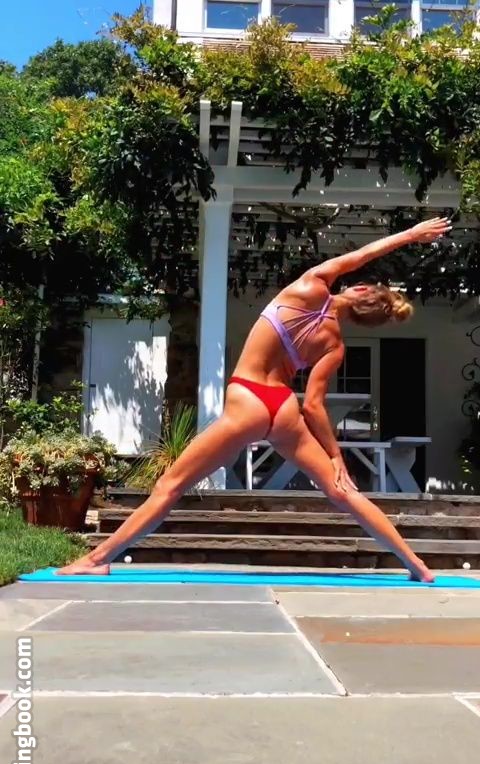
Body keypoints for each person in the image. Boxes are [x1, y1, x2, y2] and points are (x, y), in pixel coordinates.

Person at [59, 216, 451, 580]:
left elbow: (363, 255)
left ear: (359, 289)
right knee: (343, 491)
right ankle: (416, 564)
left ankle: (97, 560)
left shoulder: (310, 284)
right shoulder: (334, 344)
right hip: (283, 408)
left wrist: (411, 235)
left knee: (170, 485)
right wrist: (335, 457)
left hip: (248, 399)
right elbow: (313, 405)